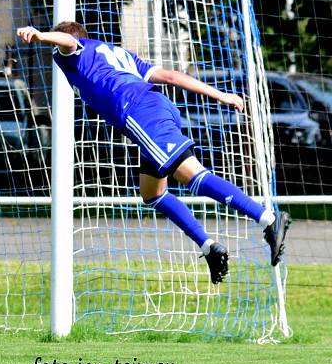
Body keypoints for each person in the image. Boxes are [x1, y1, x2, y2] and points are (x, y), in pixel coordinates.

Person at [17, 21, 290, 284]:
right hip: (157, 106)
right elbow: (171, 76)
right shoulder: (116, 54)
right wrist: (221, 95)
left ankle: (267, 218)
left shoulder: (75, 52)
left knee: (191, 176)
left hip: (139, 112)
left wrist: (40, 36)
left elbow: (68, 41)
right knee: (153, 194)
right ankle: (209, 247)